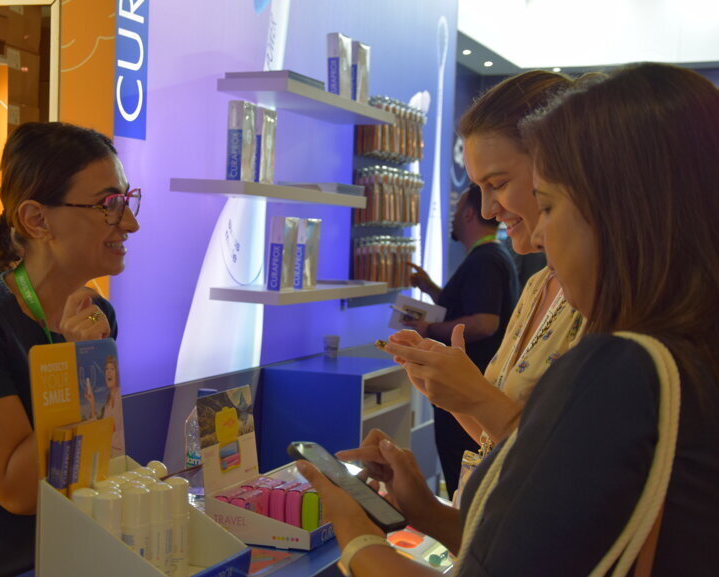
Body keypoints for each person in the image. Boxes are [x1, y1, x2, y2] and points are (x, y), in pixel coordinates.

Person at [299, 62, 719, 577]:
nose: (540, 238)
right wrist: (427, 511)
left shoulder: (624, 366)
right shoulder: (678, 353)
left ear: (621, 211)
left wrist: (356, 536)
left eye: (550, 204)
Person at [0, 122, 140, 577]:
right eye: (108, 205)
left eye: (127, 200)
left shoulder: (96, 316)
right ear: (37, 220)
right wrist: (81, 369)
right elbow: (19, 491)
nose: (130, 223)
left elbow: (102, 454)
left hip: (86, 554)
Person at [394, 70, 587, 453]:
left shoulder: (610, 300)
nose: (487, 208)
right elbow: (497, 446)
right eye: (479, 189)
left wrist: (474, 394)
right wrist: (453, 393)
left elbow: (575, 471)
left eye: (497, 184)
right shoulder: (538, 286)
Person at [404, 182, 518, 494]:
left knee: (465, 483)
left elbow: (483, 322)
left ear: (469, 214)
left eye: (456, 211)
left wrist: (430, 331)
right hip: (472, 392)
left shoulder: (485, 260)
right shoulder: (490, 258)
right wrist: (431, 290)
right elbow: (470, 308)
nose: (452, 218)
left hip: (470, 391)